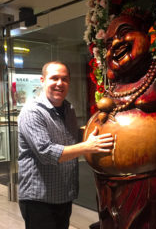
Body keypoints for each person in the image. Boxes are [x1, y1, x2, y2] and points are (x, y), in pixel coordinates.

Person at [17, 61, 114, 229]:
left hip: (63, 194)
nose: (59, 84)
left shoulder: (69, 108)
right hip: (39, 198)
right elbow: (46, 153)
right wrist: (87, 146)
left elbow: (70, 138)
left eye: (65, 79)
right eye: (54, 78)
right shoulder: (32, 112)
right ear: (42, 80)